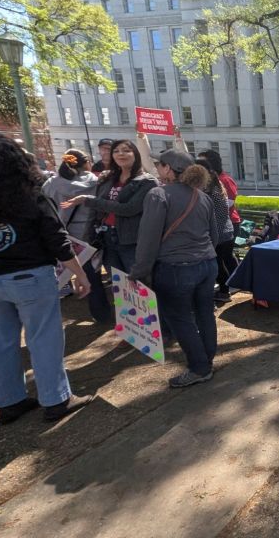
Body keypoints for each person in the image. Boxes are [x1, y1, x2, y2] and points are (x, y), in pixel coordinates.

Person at [0, 135, 93, 423]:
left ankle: (8, 401)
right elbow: (56, 237)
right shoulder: (28, 192)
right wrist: (79, 273)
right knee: (44, 339)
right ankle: (57, 399)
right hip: (29, 276)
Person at [132, 150, 220, 388]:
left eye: (159, 164)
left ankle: (200, 367)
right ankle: (206, 359)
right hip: (207, 264)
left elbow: (148, 239)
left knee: (180, 319)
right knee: (204, 313)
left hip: (176, 268)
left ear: (168, 169)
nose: (157, 168)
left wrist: (139, 271)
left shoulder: (158, 194)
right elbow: (214, 235)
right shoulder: (203, 197)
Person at [62, 140, 158, 274]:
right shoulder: (107, 177)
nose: (121, 154)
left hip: (132, 240)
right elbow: (95, 211)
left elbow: (129, 209)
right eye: (116, 151)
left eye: (126, 150)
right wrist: (88, 237)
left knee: (137, 281)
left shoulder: (147, 181)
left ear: (135, 154)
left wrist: (88, 200)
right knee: (117, 280)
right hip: (105, 236)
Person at [43, 149, 113, 324]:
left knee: (63, 274)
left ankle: (54, 315)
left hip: (62, 235)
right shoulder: (96, 182)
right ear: (87, 162)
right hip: (88, 235)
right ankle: (102, 315)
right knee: (93, 275)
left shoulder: (51, 183)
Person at [196, 149, 240, 295]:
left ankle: (229, 285)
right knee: (225, 257)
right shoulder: (213, 181)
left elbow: (230, 201)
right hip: (224, 225)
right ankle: (234, 282)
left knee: (222, 258)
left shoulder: (222, 180)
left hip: (226, 224)